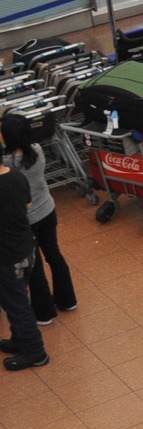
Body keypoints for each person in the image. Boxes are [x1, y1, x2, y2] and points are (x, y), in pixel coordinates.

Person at [0, 115, 74, 324]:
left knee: (35, 267)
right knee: (54, 254)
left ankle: (44, 312)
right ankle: (67, 299)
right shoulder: (37, 150)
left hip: (27, 220)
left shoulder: (8, 162)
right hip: (47, 210)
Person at [0, 144, 46, 370]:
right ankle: (19, 340)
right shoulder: (16, 176)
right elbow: (27, 204)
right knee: (16, 300)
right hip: (25, 246)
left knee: (17, 305)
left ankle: (35, 353)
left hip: (7, 256)